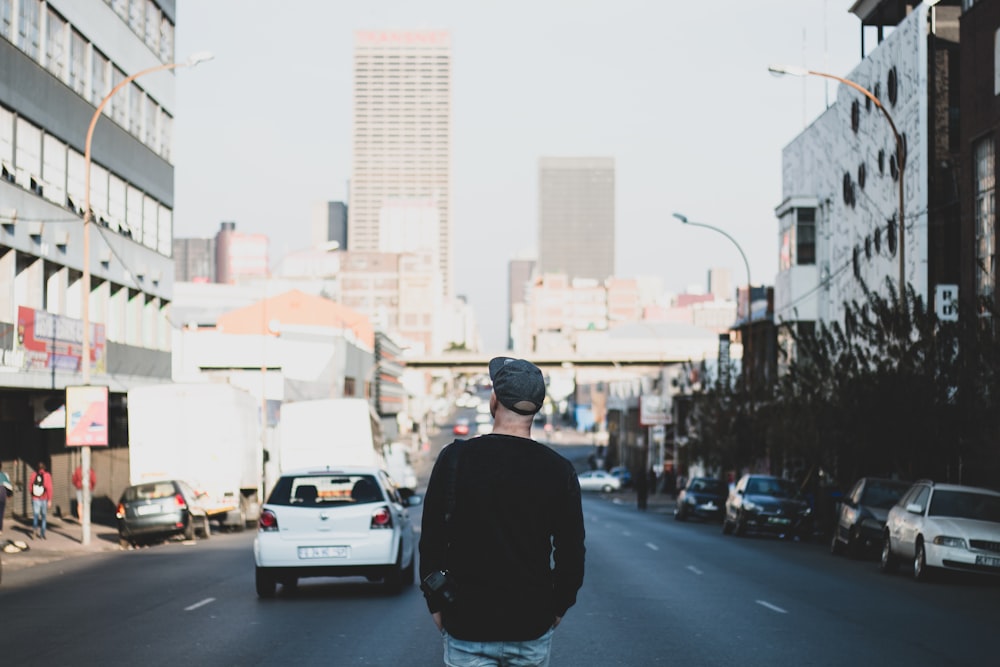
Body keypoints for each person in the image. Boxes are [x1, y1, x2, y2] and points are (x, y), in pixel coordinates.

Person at [420, 357, 586, 667]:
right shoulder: (558, 470)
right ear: (536, 407)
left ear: (494, 400)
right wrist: (558, 608)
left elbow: (431, 541)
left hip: (466, 623)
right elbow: (571, 554)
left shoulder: (455, 459)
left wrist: (437, 606)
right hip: (530, 626)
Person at [30, 461, 53, 539]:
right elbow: (49, 488)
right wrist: (49, 500)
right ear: (44, 468)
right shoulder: (47, 475)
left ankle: (34, 530)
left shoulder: (33, 475)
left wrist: (33, 495)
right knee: (44, 516)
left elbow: (30, 487)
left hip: (35, 498)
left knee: (35, 516)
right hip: (44, 498)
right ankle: (42, 533)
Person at [0, 460, 12, 535]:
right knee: (0, 513)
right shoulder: (5, 475)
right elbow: (9, 487)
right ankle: (0, 530)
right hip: (2, 495)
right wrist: (9, 495)